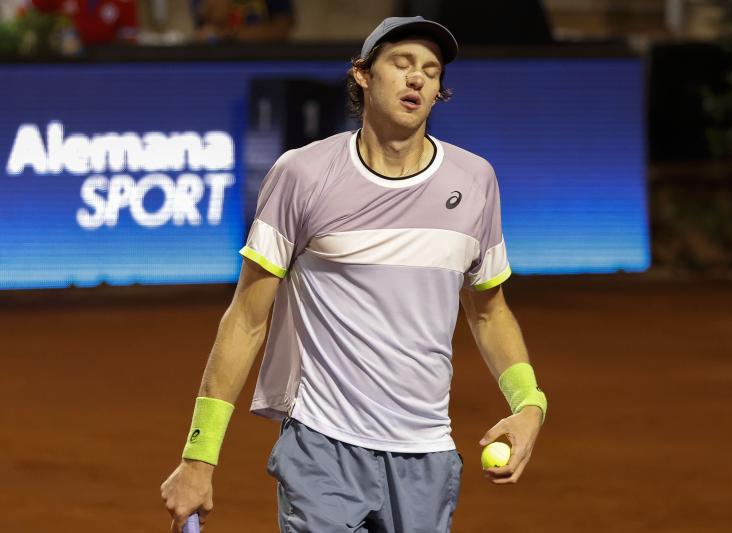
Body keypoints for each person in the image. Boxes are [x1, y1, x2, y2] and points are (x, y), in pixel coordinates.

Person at [160, 16, 548, 533]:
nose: (417, 78)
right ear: (362, 74)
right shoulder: (302, 175)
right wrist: (199, 455)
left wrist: (529, 403)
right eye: (402, 64)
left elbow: (489, 312)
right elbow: (246, 319)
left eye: (431, 71)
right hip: (322, 446)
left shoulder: (475, 181)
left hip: (426, 454)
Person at [194, 0, 293, 43]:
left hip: (267, 61)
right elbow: (205, 31)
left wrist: (236, 35)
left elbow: (282, 30)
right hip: (222, 63)